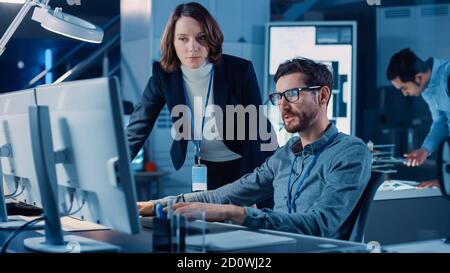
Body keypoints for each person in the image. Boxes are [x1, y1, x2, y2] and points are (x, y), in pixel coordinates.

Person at [137, 58, 372, 240]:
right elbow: (226, 194)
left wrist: (232, 213)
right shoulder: (286, 154)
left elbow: (318, 225)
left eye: (292, 94)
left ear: (322, 95)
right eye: (278, 97)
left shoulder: (350, 151)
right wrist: (156, 205)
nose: (283, 106)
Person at [127, 2, 275, 193]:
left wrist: (251, 190)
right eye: (183, 39)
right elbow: (138, 126)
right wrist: (113, 167)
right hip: (207, 164)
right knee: (209, 220)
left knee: (254, 220)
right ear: (172, 42)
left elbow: (257, 132)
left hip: (251, 162)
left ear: (212, 39)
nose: (192, 47)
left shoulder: (239, 70)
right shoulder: (163, 75)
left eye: (201, 38)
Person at [386, 48, 450, 167]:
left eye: (404, 88)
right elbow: (441, 122)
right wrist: (425, 149)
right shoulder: (428, 88)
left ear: (419, 78)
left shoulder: (448, 76)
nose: (404, 94)